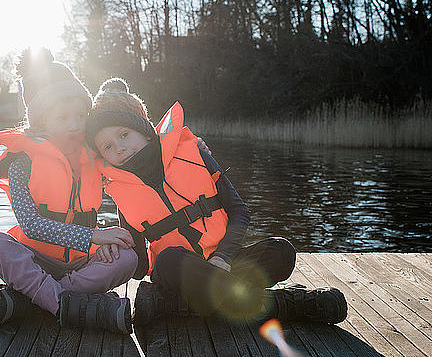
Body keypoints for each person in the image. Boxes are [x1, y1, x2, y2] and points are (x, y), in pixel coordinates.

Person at [85, 79, 348, 325]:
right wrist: (113, 247)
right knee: (168, 259)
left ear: (144, 130)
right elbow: (141, 268)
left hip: (224, 262)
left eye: (123, 135)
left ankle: (191, 304)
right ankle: (283, 304)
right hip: (178, 272)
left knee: (282, 251)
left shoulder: (195, 153)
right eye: (107, 147)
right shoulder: (121, 192)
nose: (118, 148)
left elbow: (240, 212)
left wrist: (222, 257)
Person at [0, 49, 138, 334]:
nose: (75, 125)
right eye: (62, 117)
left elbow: (137, 160)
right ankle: (69, 305)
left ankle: (40, 301)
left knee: (128, 258)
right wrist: (94, 235)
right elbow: (30, 223)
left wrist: (188, 148)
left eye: (80, 115)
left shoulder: (93, 154)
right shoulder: (22, 160)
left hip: (82, 261)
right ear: (41, 120)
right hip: (35, 255)